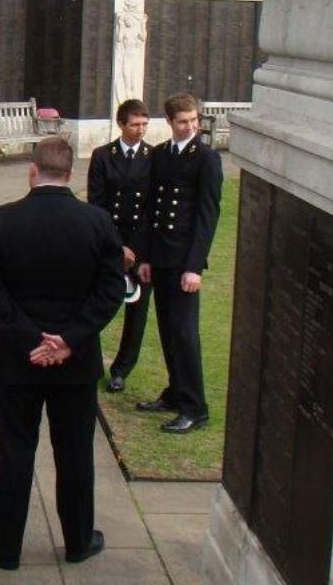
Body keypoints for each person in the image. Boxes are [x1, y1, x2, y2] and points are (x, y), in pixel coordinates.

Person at [0, 137, 125, 570]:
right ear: (70, 173)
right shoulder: (98, 222)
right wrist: (69, 339)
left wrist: (30, 337)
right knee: (75, 454)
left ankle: (4, 545)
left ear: (33, 171)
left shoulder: (2, 220)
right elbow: (111, 289)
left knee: (15, 451)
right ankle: (77, 540)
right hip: (76, 362)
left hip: (19, 361)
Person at [135, 93, 222, 434]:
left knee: (185, 335)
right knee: (169, 333)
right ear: (169, 122)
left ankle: (195, 407)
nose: (191, 127)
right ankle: (175, 393)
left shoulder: (207, 159)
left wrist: (194, 267)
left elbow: (206, 216)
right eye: (184, 121)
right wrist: (144, 257)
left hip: (184, 260)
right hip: (161, 257)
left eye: (194, 120)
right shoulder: (160, 155)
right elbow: (150, 210)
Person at [87, 99, 153, 393]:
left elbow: (152, 208)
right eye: (135, 124)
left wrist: (134, 249)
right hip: (109, 242)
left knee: (137, 311)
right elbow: (97, 205)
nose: (140, 130)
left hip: (140, 246)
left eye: (144, 125)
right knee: (99, 302)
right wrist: (117, 247)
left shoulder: (154, 157)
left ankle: (122, 369)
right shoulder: (102, 156)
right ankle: (88, 359)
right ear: (121, 124)